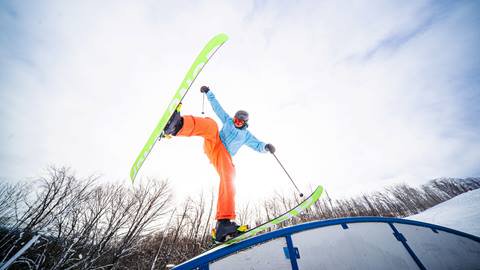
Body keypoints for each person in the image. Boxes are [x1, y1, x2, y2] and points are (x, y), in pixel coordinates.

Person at [163, 85, 275, 242]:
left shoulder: (246, 136)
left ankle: (224, 223)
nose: (236, 123)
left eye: (239, 121)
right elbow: (218, 108)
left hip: (224, 155)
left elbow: (258, 145)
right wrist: (209, 93)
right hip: (214, 143)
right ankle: (177, 126)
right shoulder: (228, 121)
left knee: (230, 177)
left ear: (245, 123)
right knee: (212, 125)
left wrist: (266, 147)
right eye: (235, 119)